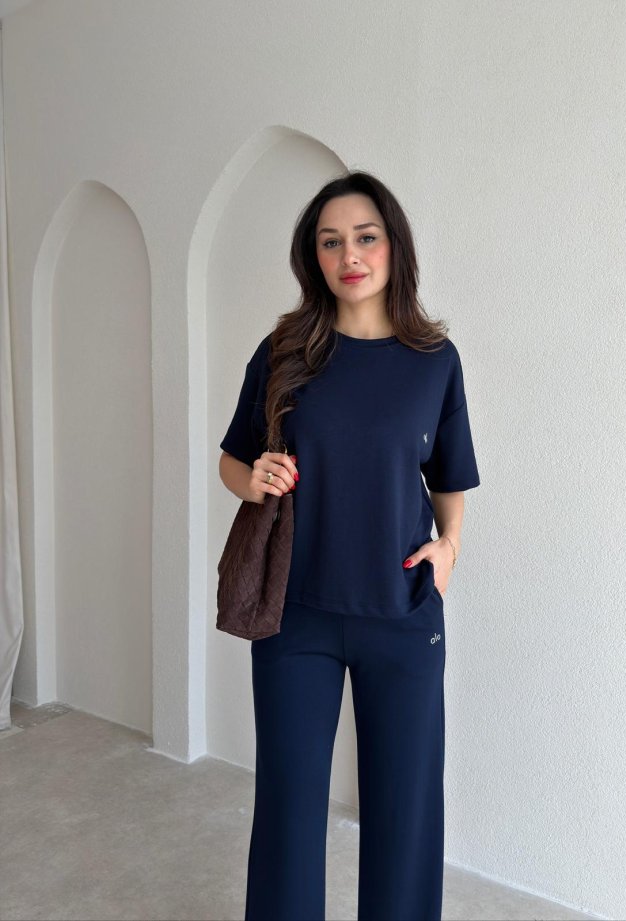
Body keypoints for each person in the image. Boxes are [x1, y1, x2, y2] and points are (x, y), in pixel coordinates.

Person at [218, 169, 480, 921]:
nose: (350, 255)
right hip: (294, 616)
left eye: (365, 237)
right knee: (288, 812)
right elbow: (234, 459)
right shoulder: (284, 350)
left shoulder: (435, 361)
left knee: (405, 814)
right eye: (330, 242)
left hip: (402, 613)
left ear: (394, 246)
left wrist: (449, 546)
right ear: (314, 257)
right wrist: (252, 478)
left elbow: (449, 476)